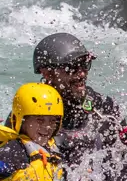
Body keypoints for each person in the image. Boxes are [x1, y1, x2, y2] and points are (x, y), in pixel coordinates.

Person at [32, 32, 121, 164]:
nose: (82, 73)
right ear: (48, 73)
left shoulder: (103, 107)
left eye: (85, 64)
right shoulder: (30, 110)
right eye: (72, 67)